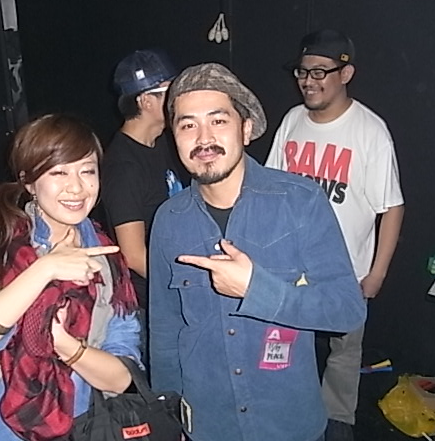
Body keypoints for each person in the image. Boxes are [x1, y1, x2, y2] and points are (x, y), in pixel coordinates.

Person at [149, 63, 367, 441]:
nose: (203, 138)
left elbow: (347, 310)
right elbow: (165, 332)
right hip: (208, 427)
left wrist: (257, 289)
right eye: (188, 125)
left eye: (218, 121)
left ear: (246, 129)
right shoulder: (169, 221)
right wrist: (168, 417)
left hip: (289, 425)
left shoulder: (300, 202)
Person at [0, 114, 140, 441]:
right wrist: (45, 268)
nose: (76, 187)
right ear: (29, 182)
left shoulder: (108, 262)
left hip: (86, 428)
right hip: (6, 432)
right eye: (59, 172)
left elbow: (124, 379)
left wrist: (65, 344)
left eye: (87, 171)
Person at [266, 29, 405, 440]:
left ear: (345, 74)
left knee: (344, 356)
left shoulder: (370, 131)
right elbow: (270, 188)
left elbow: (391, 206)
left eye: (319, 72)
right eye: (302, 71)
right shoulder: (292, 120)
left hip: (345, 273)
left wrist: (377, 273)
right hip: (289, 270)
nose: (308, 81)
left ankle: (337, 426)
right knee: (284, 351)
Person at [102, 49, 184, 312]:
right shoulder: (124, 167)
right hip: (150, 303)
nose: (179, 98)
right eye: (170, 91)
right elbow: (134, 255)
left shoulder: (160, 142)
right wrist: (184, 285)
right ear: (146, 101)